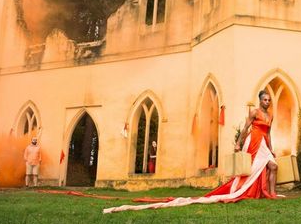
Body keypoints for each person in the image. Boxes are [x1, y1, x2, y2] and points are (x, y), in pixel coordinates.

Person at [103, 90, 280, 214]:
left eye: (269, 100)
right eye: (265, 99)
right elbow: (246, 128)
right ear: (260, 100)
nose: (267, 102)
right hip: (253, 141)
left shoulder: (270, 116)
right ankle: (261, 192)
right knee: (255, 170)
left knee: (273, 166)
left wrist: (271, 148)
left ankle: (271, 193)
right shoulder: (254, 112)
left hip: (264, 143)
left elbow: (269, 133)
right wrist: (238, 143)